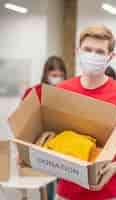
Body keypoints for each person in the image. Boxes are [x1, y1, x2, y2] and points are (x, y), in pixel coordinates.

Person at [54, 25, 116, 200]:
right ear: (77, 51)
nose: (92, 55)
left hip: (108, 191)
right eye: (88, 50)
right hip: (67, 191)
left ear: (110, 57)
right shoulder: (63, 91)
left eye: (99, 52)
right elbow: (51, 136)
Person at [22, 55, 67, 200]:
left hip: (62, 145)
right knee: (44, 183)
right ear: (46, 74)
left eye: (61, 75)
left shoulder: (67, 92)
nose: (57, 78)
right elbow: (23, 118)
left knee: (62, 182)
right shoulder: (34, 91)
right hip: (39, 144)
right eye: (54, 75)